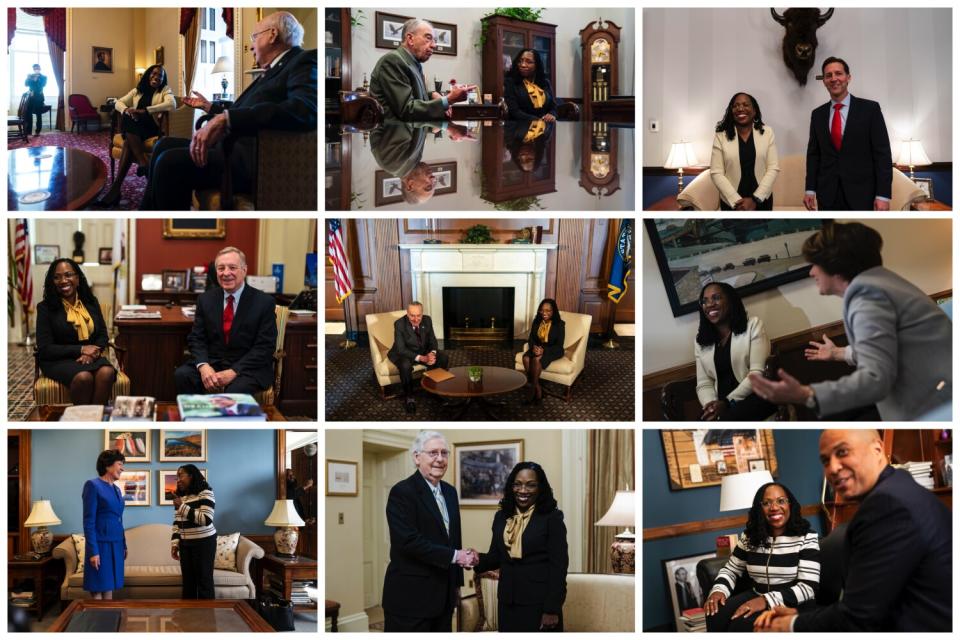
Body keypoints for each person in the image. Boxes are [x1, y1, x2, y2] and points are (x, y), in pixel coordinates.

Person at [749, 222, 952, 420]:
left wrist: (805, 394)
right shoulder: (880, 282)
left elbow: (876, 379)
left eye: (814, 264)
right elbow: (895, 347)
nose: (811, 272)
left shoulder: (867, 296)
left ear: (834, 264)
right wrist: (840, 353)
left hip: (936, 406)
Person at [754, 429, 951, 632]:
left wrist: (789, 626)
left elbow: (859, 618)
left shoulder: (887, 506)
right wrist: (802, 616)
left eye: (842, 452)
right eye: (825, 461)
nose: (832, 468)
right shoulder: (899, 487)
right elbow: (869, 602)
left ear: (877, 449)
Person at [142, 11, 316, 209]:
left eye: (255, 37)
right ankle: (146, 209)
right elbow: (243, 109)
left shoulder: (302, 61)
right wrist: (211, 107)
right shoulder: (273, 69)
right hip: (229, 148)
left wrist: (227, 118)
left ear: (272, 34)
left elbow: (303, 109)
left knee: (169, 162)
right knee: (163, 144)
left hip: (250, 160)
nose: (251, 45)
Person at [382, 431, 477, 632]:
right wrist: (456, 556)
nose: (440, 459)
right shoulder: (402, 492)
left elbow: (453, 540)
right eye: (433, 453)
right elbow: (408, 542)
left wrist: (457, 585)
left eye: (444, 453)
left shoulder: (450, 492)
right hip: (410, 599)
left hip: (444, 597)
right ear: (417, 457)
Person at [704, 483, 820, 632]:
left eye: (781, 501)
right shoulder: (750, 537)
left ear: (790, 504)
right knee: (715, 613)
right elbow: (731, 570)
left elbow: (808, 587)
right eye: (766, 503)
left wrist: (765, 600)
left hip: (792, 601)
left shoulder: (807, 537)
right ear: (760, 509)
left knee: (742, 624)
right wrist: (718, 591)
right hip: (756, 593)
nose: (774, 507)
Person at [475, 461, 568, 631]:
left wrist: (552, 609)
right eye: (517, 484)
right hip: (507, 602)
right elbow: (497, 556)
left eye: (530, 485)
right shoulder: (501, 517)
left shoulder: (552, 518)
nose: (523, 491)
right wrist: (475, 559)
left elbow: (559, 567)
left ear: (540, 488)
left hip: (539, 604)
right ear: (511, 487)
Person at [174, 247, 278, 396]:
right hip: (213, 363)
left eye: (232, 267)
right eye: (221, 268)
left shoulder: (264, 302)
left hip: (247, 368)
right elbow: (197, 338)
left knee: (236, 390)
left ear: (244, 270)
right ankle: (197, 419)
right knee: (183, 375)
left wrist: (234, 371)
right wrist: (203, 366)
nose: (226, 273)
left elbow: (265, 346)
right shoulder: (205, 299)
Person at [803, 57, 892, 211]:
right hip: (828, 195)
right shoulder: (817, 115)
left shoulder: (870, 110)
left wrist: (883, 195)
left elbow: (882, 154)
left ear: (848, 78)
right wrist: (810, 189)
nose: (834, 79)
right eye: (828, 75)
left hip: (863, 194)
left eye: (838, 73)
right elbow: (814, 155)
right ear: (824, 81)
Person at [36, 259, 117, 405]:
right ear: (52, 282)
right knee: (83, 377)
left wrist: (92, 353)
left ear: (77, 279)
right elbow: (45, 348)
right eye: (57, 277)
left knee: (107, 373)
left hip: (90, 356)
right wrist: (81, 349)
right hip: (58, 360)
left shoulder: (91, 302)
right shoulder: (45, 308)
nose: (63, 280)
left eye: (68, 275)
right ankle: (82, 422)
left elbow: (102, 335)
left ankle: (96, 421)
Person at [95, 65, 175, 207]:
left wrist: (145, 111)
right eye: (154, 73)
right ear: (148, 74)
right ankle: (142, 163)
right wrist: (126, 110)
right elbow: (118, 102)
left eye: (160, 75)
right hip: (136, 127)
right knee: (128, 125)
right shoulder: (137, 90)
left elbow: (171, 104)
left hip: (152, 127)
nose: (157, 77)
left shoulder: (165, 90)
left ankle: (116, 190)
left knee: (129, 127)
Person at [695, 282, 776, 421]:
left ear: (731, 301)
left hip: (755, 396)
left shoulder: (753, 325)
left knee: (727, 420)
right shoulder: (700, 340)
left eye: (716, 298)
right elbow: (704, 383)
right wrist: (711, 407)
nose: (709, 304)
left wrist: (727, 402)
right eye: (705, 301)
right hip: (720, 403)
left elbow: (757, 373)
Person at [370, 18, 477, 121]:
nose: (434, 45)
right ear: (410, 39)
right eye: (428, 38)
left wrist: (432, 95)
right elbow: (407, 110)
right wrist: (448, 100)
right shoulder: (393, 61)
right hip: (393, 136)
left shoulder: (413, 63)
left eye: (434, 40)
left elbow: (414, 97)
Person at [710, 92, 779, 211]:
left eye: (745, 105)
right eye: (736, 106)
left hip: (761, 200)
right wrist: (737, 201)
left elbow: (773, 168)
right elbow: (716, 172)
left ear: (754, 110)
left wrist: (755, 199)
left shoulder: (767, 133)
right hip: (732, 203)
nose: (740, 108)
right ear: (731, 111)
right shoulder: (721, 136)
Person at [387, 301, 449, 414]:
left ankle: (433, 389)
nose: (416, 319)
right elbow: (401, 349)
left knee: (443, 357)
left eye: (418, 315)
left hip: (422, 350)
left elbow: (433, 340)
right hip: (403, 353)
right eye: (412, 315)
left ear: (422, 313)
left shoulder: (427, 320)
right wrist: (422, 358)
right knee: (405, 365)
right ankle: (409, 397)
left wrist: (432, 354)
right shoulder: (399, 324)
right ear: (407, 313)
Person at [83, 450, 127, 599]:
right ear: (108, 465)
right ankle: (97, 620)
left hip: (116, 544)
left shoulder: (116, 489)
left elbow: (119, 519)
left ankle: (108, 620)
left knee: (110, 586)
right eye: (120, 464)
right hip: (100, 545)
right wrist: (93, 551)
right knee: (97, 588)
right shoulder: (92, 485)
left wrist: (124, 545)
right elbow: (89, 522)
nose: (122, 468)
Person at [171, 464, 217, 599]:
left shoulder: (206, 492)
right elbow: (177, 522)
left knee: (204, 582)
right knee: (188, 584)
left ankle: (207, 618)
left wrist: (181, 506)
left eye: (181, 476)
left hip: (204, 543)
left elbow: (206, 519)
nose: (178, 480)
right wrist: (175, 543)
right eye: (177, 477)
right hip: (185, 545)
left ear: (191, 476)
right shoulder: (183, 496)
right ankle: (188, 618)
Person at [521, 298, 565, 406]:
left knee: (536, 360)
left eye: (548, 311)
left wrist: (543, 350)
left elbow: (559, 345)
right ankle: (538, 387)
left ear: (553, 311)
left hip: (553, 350)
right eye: (542, 310)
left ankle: (532, 391)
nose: (544, 313)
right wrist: (534, 347)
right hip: (538, 347)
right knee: (526, 358)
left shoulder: (559, 324)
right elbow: (531, 338)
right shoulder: (537, 320)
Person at [503, 49, 558, 122]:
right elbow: (514, 112)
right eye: (520, 61)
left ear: (537, 65)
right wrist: (538, 120)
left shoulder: (545, 82)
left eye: (529, 62)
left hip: (544, 128)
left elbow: (553, 106)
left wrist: (552, 114)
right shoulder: (510, 82)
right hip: (520, 128)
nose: (523, 65)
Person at [24, 63, 47, 136]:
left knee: (38, 115)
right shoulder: (30, 76)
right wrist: (28, 78)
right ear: (33, 69)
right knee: (28, 114)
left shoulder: (44, 77)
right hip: (30, 97)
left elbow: (42, 85)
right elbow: (26, 84)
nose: (36, 69)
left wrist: (36, 80)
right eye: (34, 68)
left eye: (37, 68)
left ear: (40, 68)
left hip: (39, 98)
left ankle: (38, 131)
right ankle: (28, 131)